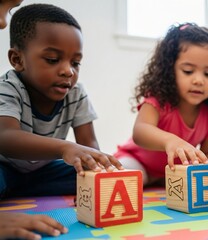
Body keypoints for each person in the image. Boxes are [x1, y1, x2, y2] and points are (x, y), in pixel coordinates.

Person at [0, 3, 122, 239]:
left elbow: (89, 146)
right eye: (53, 59)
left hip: (44, 171)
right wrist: (65, 147)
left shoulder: (76, 93)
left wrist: (93, 178)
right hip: (5, 166)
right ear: (17, 60)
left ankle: (23, 188)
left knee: (100, 174)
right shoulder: (8, 88)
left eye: (75, 63)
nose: (68, 71)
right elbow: (5, 137)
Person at [114, 22, 208, 186]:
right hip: (137, 162)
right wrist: (170, 141)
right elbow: (140, 132)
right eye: (188, 71)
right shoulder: (158, 100)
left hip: (174, 172)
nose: (198, 80)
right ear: (169, 70)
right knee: (127, 176)